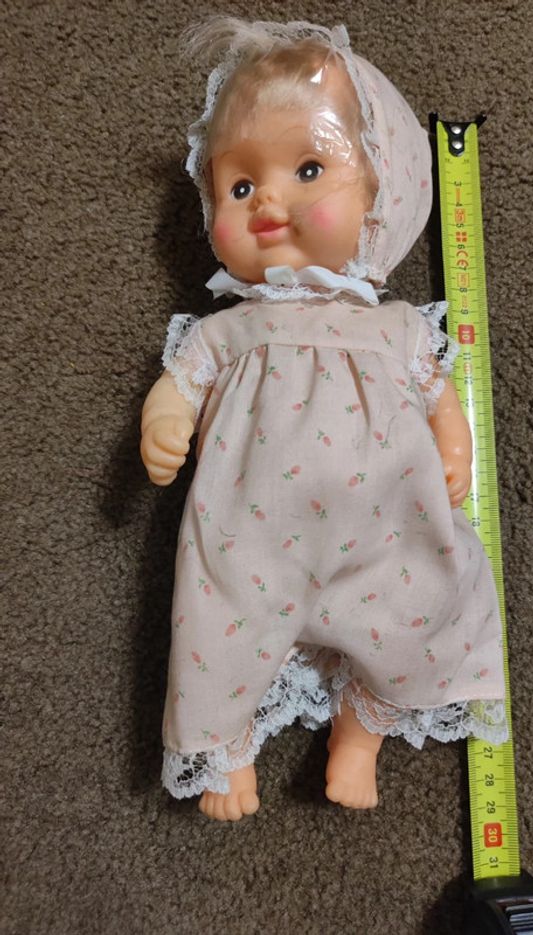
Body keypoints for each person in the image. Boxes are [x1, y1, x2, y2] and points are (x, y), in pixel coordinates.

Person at [140, 18, 507, 822]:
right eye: (240, 186)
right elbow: (180, 382)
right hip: (249, 537)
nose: (269, 200)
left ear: (383, 193)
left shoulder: (397, 327)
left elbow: (438, 393)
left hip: (385, 532)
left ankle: (361, 732)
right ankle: (227, 747)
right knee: (218, 621)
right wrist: (163, 418)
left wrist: (454, 444)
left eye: (309, 168)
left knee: (421, 610)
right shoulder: (228, 330)